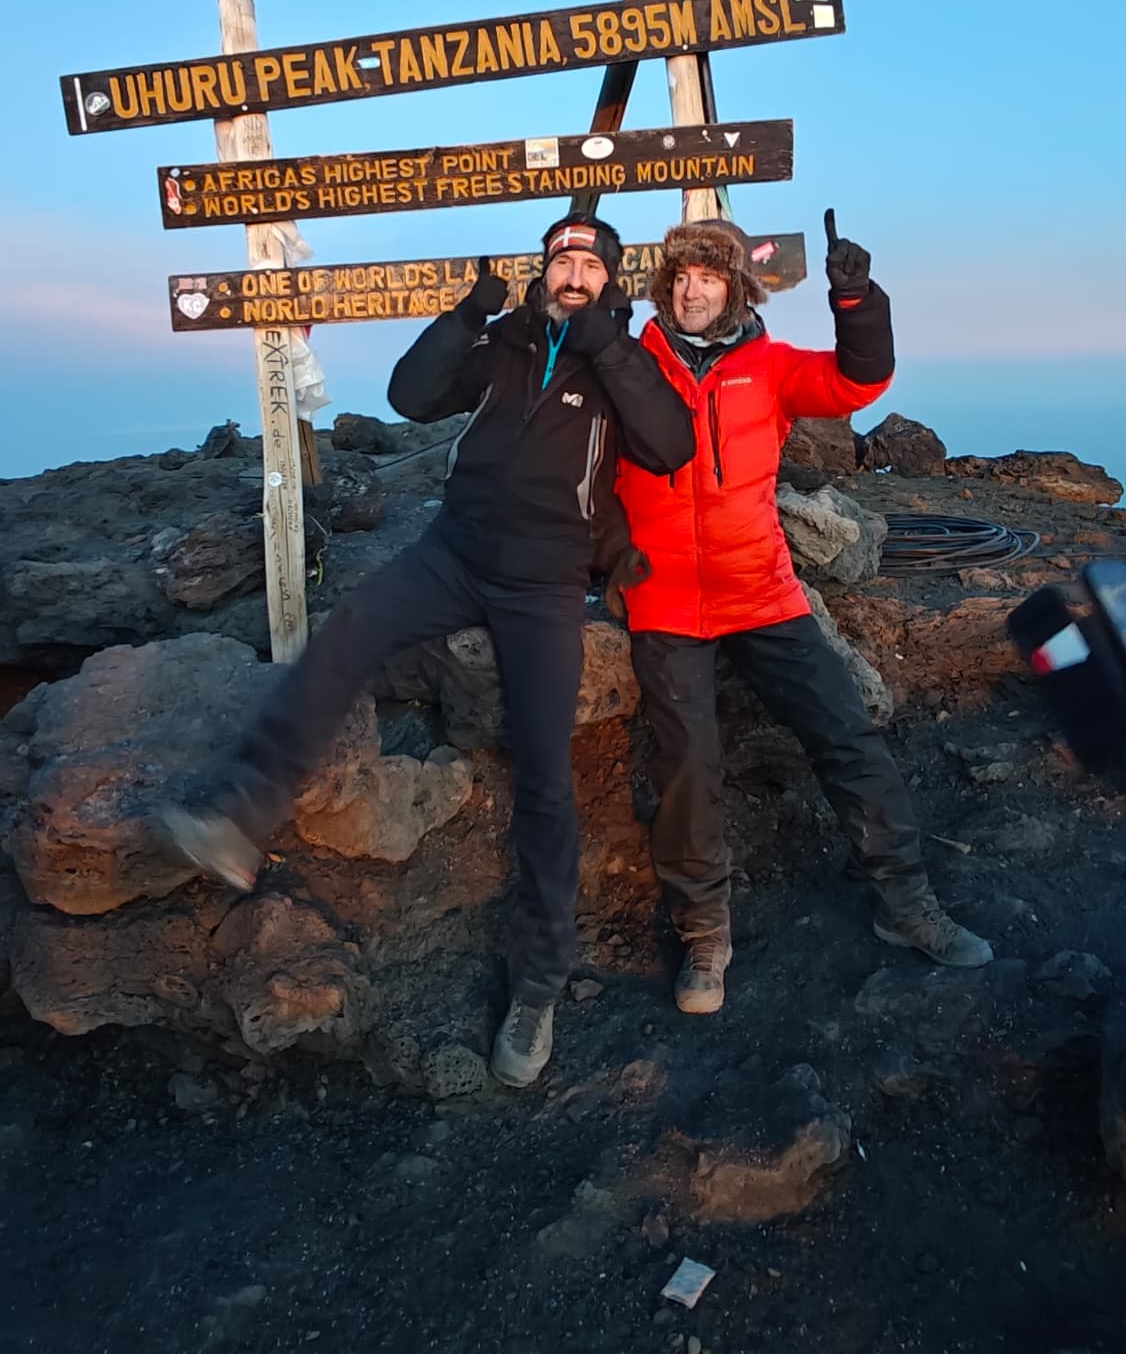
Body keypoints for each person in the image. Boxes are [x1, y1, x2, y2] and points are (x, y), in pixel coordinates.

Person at [162, 215, 695, 1088]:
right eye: (562, 258)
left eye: (590, 262)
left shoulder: (618, 359)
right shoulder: (506, 341)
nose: (573, 270)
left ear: (609, 280)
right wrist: (464, 315)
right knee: (347, 635)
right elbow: (411, 398)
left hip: (545, 584)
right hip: (450, 554)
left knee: (545, 776)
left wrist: (603, 340)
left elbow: (669, 444)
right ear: (540, 271)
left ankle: (538, 987)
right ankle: (239, 813)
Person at [614, 209, 992, 1014]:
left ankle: (904, 904)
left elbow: (856, 383)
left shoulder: (771, 367)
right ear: (662, 287)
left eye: (708, 277)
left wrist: (857, 302)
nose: (690, 292)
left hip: (761, 590)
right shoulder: (628, 362)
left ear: (736, 288)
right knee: (687, 769)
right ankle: (704, 936)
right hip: (665, 598)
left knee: (847, 736)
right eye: (679, 278)